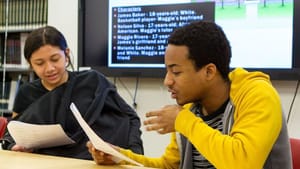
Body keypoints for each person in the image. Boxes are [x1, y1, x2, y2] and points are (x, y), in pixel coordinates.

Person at [87, 21, 293, 169]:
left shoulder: (258, 95)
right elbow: (169, 165)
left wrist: (183, 121)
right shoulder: (190, 108)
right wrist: (119, 157)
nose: (167, 81)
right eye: (167, 71)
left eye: (176, 72)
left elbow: (242, 164)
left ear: (209, 72)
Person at [0, 26, 144, 159]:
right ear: (30, 63)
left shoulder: (93, 82)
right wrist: (16, 147)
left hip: (93, 162)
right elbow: (14, 134)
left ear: (66, 54)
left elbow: (129, 118)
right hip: (46, 163)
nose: (49, 68)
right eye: (40, 63)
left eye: (55, 59)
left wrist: (133, 154)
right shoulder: (26, 92)